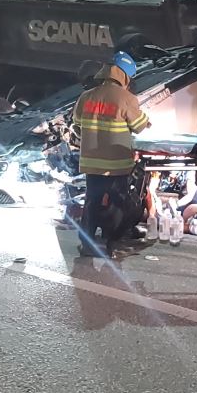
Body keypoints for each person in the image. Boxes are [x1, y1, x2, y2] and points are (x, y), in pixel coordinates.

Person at [72, 51, 151, 257]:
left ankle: (86, 244)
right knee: (119, 204)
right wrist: (146, 120)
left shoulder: (86, 96)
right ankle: (114, 244)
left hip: (91, 163)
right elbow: (139, 126)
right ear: (124, 75)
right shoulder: (126, 98)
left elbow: (77, 122)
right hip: (116, 164)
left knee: (91, 202)